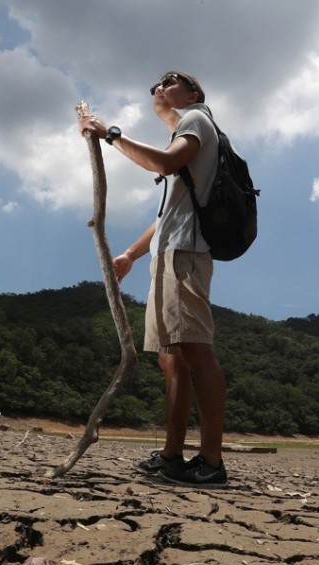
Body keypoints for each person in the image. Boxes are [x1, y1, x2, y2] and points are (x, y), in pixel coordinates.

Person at [78, 71, 228, 488]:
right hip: (167, 254)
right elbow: (166, 217)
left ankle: (212, 462)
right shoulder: (181, 129)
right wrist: (130, 254)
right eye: (155, 85)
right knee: (170, 358)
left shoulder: (198, 119)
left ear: (194, 92)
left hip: (186, 255)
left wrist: (111, 135)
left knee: (196, 351)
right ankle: (172, 456)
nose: (158, 87)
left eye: (170, 80)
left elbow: (163, 163)